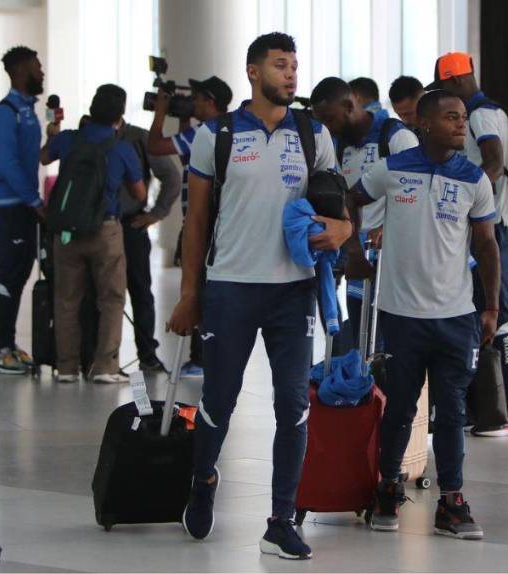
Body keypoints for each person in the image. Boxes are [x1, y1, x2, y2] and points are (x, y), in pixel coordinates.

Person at [166, 32, 348, 560]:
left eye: (295, 66)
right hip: (230, 288)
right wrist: (189, 293)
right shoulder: (215, 135)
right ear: (252, 72)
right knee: (218, 401)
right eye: (280, 65)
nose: (291, 75)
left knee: (293, 405)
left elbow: (336, 206)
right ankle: (202, 481)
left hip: (292, 291)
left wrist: (342, 228)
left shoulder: (313, 133)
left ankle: (280, 520)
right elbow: (196, 221)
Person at [347, 89, 500, 540]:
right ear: (426, 125)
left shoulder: (474, 178)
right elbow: (351, 198)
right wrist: (355, 248)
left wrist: (491, 306)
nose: (461, 124)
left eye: (464, 118)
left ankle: (451, 501)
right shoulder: (392, 170)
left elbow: (487, 244)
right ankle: (388, 487)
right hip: (401, 314)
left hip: (456, 317)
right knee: (399, 407)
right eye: (452, 117)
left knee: (451, 411)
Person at [429, 51, 508, 436]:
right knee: (478, 311)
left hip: (504, 224)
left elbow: (494, 161)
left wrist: (470, 199)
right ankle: (483, 405)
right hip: (494, 223)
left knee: (502, 313)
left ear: (455, 81)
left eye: (443, 88)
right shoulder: (478, 113)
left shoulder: (482, 114)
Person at [39, 84, 147, 384]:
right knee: (111, 299)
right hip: (106, 230)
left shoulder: (70, 139)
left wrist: (53, 133)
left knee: (66, 299)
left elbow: (44, 157)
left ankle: (67, 367)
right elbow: (139, 194)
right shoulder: (121, 148)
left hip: (67, 233)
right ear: (120, 115)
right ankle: (104, 366)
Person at [310, 76, 418, 348]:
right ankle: (359, 383)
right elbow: (344, 198)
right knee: (361, 332)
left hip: (394, 258)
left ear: (350, 105)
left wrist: (388, 229)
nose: (327, 128)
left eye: (331, 119)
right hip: (357, 254)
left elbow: (417, 194)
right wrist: (353, 250)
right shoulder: (339, 144)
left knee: (387, 339)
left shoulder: (395, 136)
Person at [148, 75, 232, 378]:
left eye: (195, 99)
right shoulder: (222, 131)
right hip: (216, 224)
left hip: (200, 225)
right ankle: (203, 356)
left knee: (197, 286)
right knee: (205, 287)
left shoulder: (204, 132)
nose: (191, 103)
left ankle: (201, 358)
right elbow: (190, 161)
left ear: (210, 101)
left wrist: (160, 112)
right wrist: (182, 118)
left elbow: (155, 146)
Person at [0, 46, 47, 375]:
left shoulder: (27, 110)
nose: (42, 72)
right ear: (21, 71)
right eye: (37, 66)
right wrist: (35, 202)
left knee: (19, 273)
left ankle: (7, 343)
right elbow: (7, 163)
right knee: (7, 274)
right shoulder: (6, 112)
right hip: (7, 204)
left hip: (20, 203)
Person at [113, 87, 182, 377]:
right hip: (95, 227)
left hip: (130, 225)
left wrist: (155, 214)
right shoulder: (88, 136)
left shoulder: (139, 139)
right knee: (101, 294)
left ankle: (147, 354)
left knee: (140, 290)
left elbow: (172, 176)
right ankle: (97, 356)